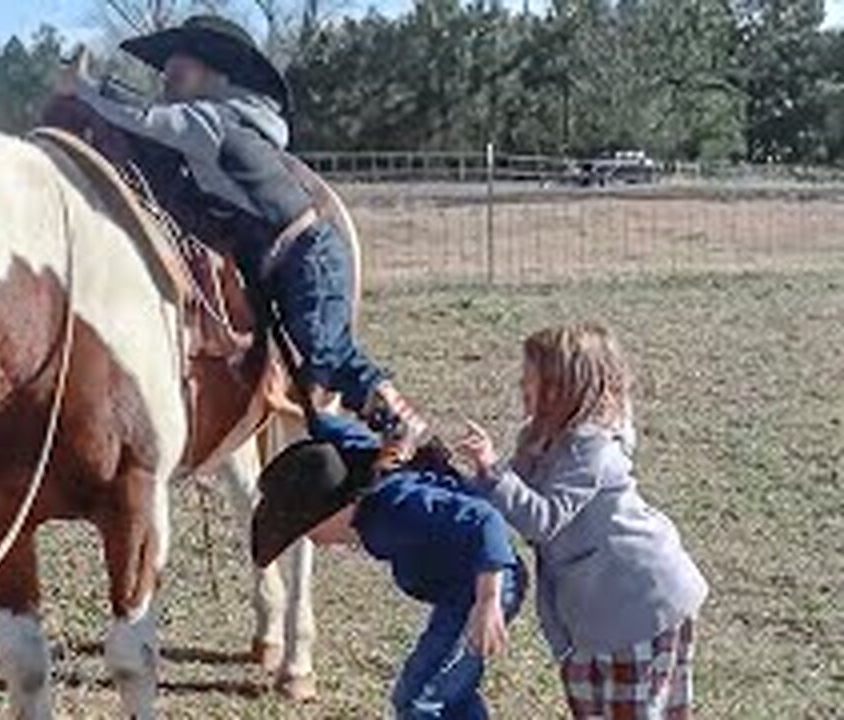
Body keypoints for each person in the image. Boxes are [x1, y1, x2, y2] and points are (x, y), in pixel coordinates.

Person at [53, 15, 427, 467]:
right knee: (303, 354)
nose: (167, 78)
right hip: (288, 256)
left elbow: (146, 119)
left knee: (322, 347)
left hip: (305, 255)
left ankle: (399, 421)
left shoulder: (211, 119)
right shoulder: (219, 119)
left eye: (180, 69)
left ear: (214, 74)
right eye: (166, 70)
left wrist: (85, 89)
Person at [454, 323, 708, 719]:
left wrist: (492, 471)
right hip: (596, 610)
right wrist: (476, 483)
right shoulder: (540, 435)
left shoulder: (592, 447)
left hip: (640, 603)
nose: (522, 385)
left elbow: (542, 519)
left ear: (562, 388)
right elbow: (515, 495)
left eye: (531, 379)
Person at [252, 412, 528, 718]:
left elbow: (484, 519)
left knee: (417, 698)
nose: (314, 541)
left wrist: (488, 601)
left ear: (336, 509)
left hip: (486, 583)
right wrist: (312, 416)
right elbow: (342, 432)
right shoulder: (358, 470)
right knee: (449, 691)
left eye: (310, 529)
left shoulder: (395, 505)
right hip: (461, 588)